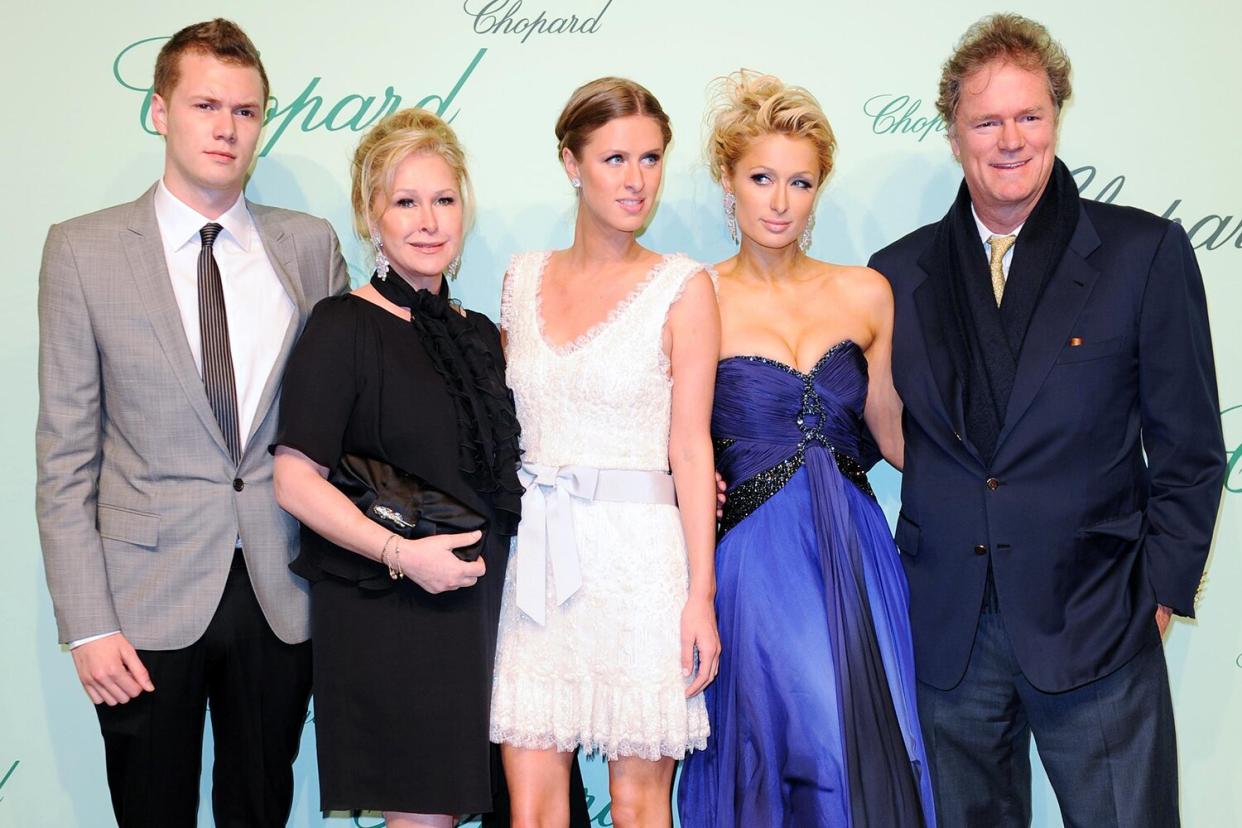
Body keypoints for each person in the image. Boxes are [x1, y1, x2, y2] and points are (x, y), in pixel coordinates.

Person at [868, 14, 1226, 827]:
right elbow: (869, 432)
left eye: (1029, 116)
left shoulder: (1144, 253)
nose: (1010, 140)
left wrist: (1161, 591)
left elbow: (1191, 448)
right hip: (947, 629)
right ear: (953, 132)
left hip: (1097, 616)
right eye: (986, 120)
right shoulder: (894, 274)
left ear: (1058, 117)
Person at [34, 19, 349, 826]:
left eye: (246, 111)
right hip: (139, 603)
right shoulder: (82, 251)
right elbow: (65, 460)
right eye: (206, 104)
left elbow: (341, 426)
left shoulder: (308, 248)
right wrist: (88, 625)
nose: (226, 127)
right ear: (159, 112)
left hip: (280, 588)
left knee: (260, 808)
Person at [677, 71, 935, 828]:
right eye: (762, 178)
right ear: (728, 180)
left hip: (857, 550)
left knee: (872, 745)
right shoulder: (694, 296)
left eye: (800, 181)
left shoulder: (866, 292)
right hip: (757, 556)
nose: (780, 201)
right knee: (806, 741)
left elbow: (892, 434)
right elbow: (677, 442)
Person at [272, 108, 523, 827]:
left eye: (443, 199)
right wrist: (401, 554)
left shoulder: (478, 333)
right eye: (404, 202)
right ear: (369, 215)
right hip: (393, 609)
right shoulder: (341, 325)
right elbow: (294, 479)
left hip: (483, 606)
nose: (428, 220)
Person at [489, 76, 720, 828]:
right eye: (615, 158)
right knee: (532, 808)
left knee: (639, 803)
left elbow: (691, 447)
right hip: (540, 565)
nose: (636, 179)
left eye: (651, 159)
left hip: (642, 565)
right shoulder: (520, 278)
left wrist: (701, 596)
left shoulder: (684, 287)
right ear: (571, 162)